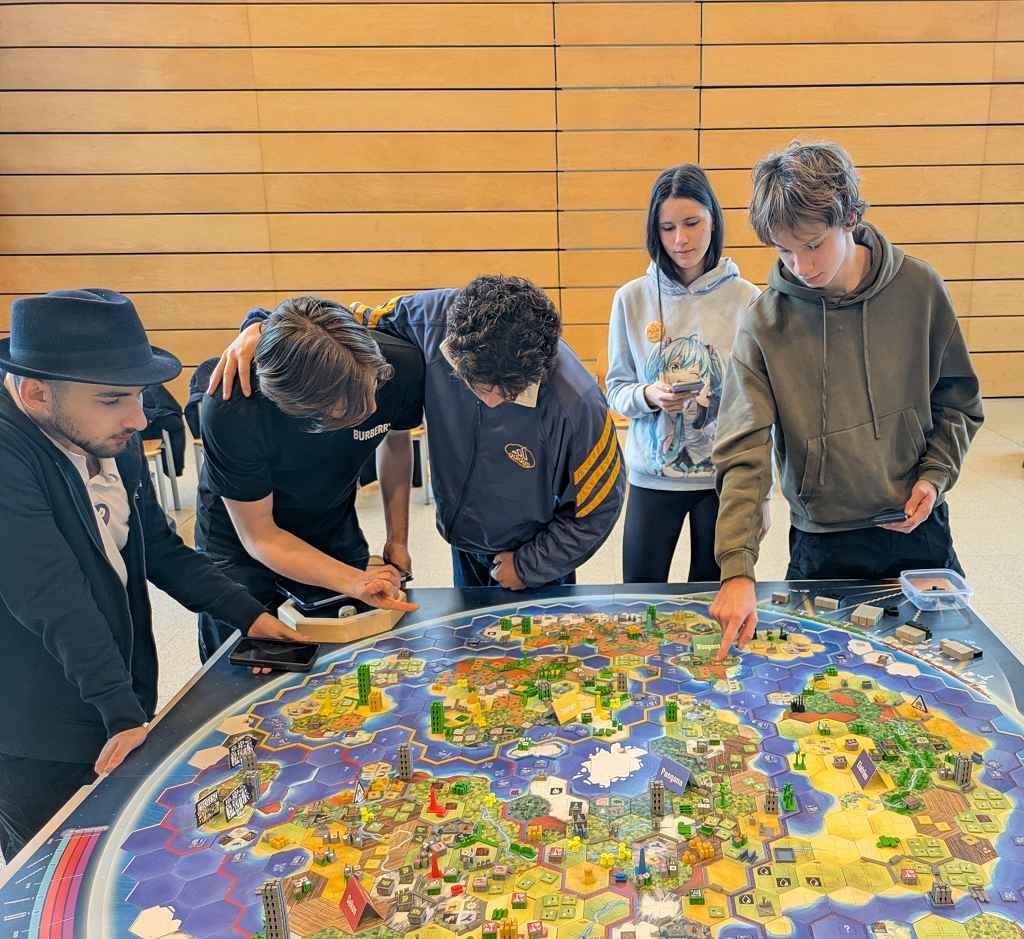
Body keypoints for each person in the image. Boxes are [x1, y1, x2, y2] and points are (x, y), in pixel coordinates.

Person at [0, 289, 307, 861]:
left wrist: (250, 615)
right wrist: (119, 709)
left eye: (139, 395)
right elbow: (51, 596)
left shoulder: (105, 436)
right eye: (113, 398)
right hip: (32, 727)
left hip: (115, 690)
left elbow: (160, 550)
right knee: (55, 871)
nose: (139, 419)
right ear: (36, 392)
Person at [710, 141, 984, 658]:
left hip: (917, 527)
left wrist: (934, 476)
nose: (800, 265)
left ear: (851, 218)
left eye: (813, 244)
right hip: (823, 541)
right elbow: (743, 452)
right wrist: (737, 568)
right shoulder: (764, 323)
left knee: (949, 675)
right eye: (784, 251)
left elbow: (958, 401)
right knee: (819, 683)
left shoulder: (920, 289)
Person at [210, 275, 625, 589]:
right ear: (454, 349)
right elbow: (331, 326)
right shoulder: (427, 319)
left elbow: (599, 507)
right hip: (465, 536)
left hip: (535, 550)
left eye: (508, 393)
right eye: (476, 386)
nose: (491, 402)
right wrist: (259, 326)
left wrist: (530, 566)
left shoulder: (580, 404)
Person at [195, 296, 420, 660]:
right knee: (250, 665)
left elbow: (396, 443)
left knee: (350, 659)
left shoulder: (397, 364)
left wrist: (398, 539)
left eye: (372, 388)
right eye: (350, 407)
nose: (373, 408)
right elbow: (260, 535)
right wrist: (355, 580)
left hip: (332, 523)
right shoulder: (233, 406)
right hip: (241, 540)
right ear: (297, 406)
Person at [606, 164, 763, 583]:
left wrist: (761, 495)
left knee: (710, 599)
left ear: (714, 219)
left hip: (723, 481)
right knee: (639, 595)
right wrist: (649, 396)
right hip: (651, 478)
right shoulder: (631, 299)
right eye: (668, 228)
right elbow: (616, 389)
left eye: (692, 223)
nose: (681, 239)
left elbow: (760, 404)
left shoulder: (748, 300)